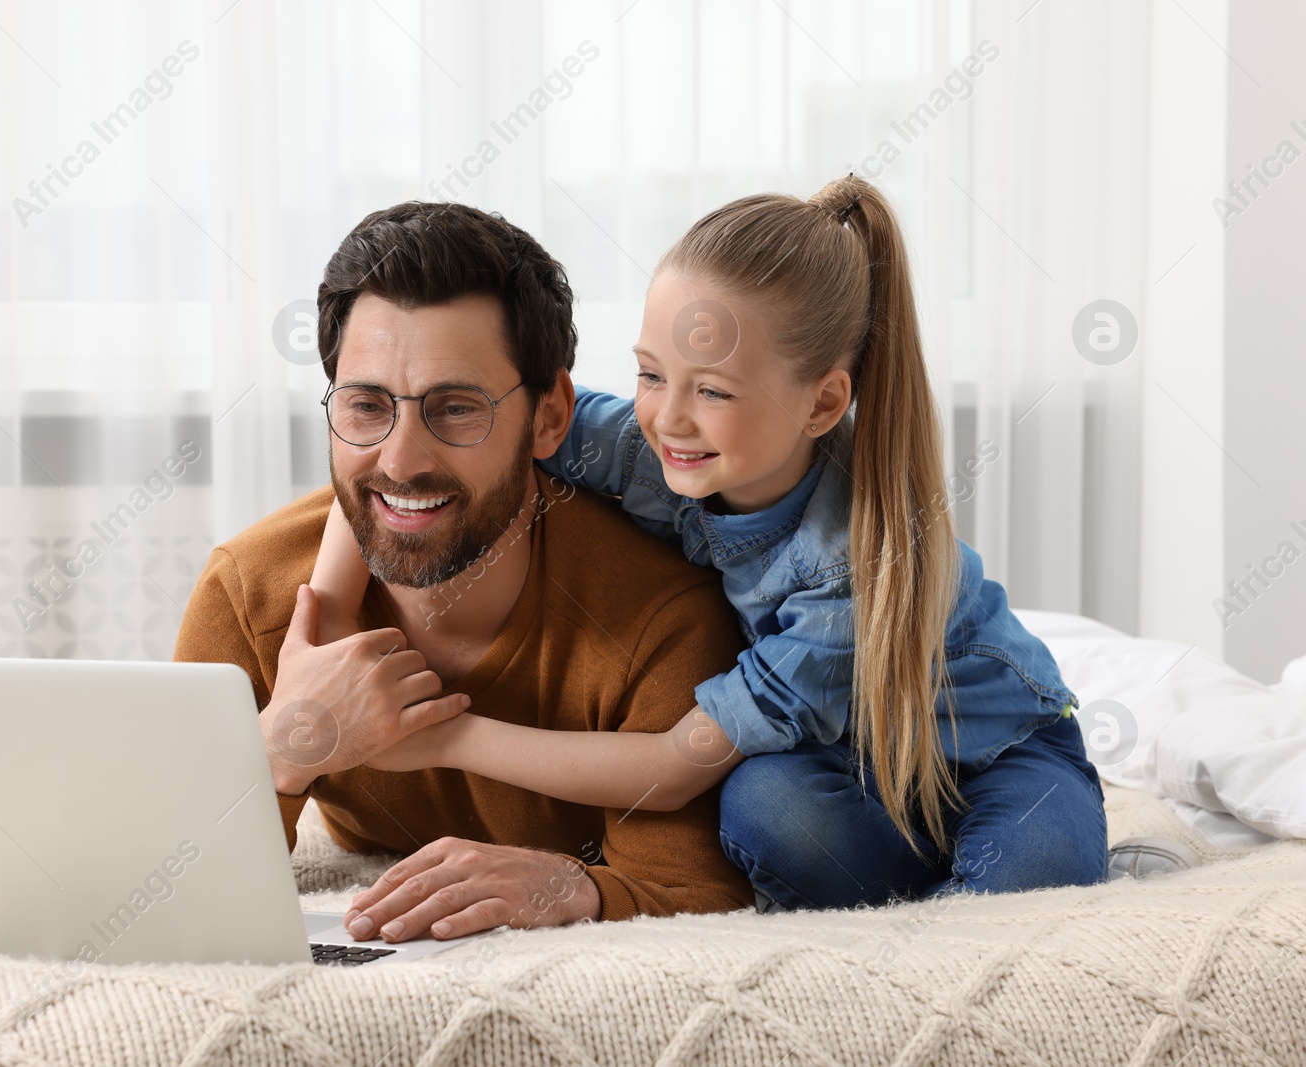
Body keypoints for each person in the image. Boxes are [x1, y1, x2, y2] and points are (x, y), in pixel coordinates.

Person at [310, 176, 1110, 914]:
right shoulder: (643, 443)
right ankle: (926, 869)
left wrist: (447, 737)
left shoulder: (843, 573)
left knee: (1023, 885)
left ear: (823, 402)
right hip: (854, 761)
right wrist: (332, 616)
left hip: (995, 753)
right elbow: (406, 461)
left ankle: (988, 861)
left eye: (715, 390)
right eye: (652, 374)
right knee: (766, 809)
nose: (669, 417)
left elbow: (670, 765)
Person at [174, 200, 753, 946]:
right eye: (365, 405)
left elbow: (696, 886)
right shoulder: (248, 592)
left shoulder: (658, 613)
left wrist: (569, 884)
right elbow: (159, 873)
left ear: (550, 418)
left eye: (454, 409)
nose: (401, 459)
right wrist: (285, 745)